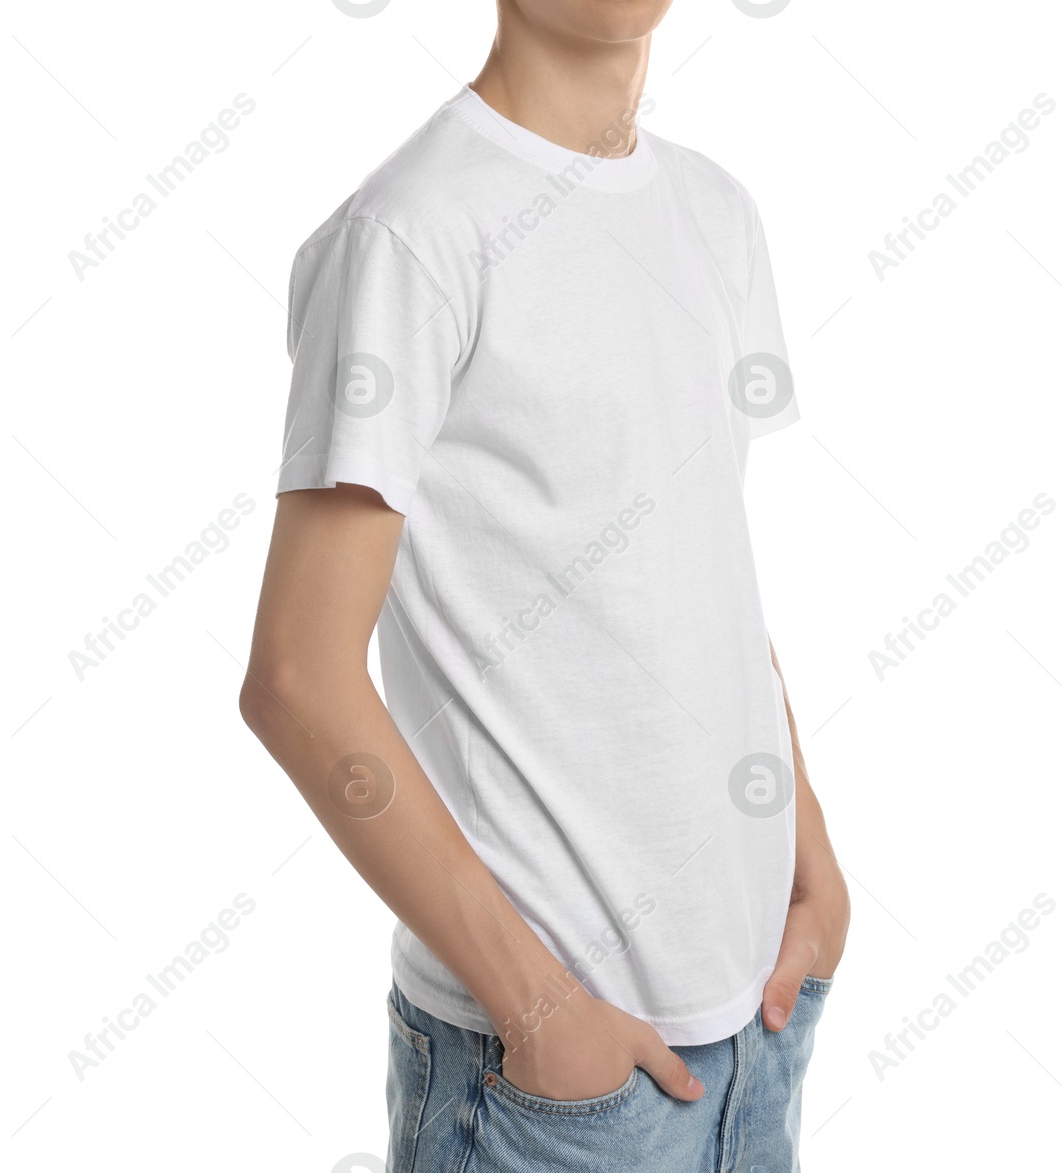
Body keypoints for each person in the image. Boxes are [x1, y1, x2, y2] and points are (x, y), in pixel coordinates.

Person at [240, 1, 850, 1168]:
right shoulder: (412, 232)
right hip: (550, 1093)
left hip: (763, 1027)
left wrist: (813, 873)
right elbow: (296, 682)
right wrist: (536, 1009)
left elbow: (703, 572)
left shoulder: (716, 214)